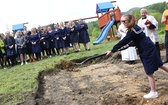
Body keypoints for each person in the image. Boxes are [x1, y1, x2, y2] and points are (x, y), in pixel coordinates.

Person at [106, 14, 168, 99]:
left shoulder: (132, 31)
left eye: (124, 21)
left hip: (147, 50)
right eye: (121, 21)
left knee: (149, 71)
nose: (122, 23)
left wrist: (112, 50)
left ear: (130, 21)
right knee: (160, 64)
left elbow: (124, 41)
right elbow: (137, 40)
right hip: (148, 47)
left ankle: (153, 92)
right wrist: (128, 45)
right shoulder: (135, 28)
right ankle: (153, 91)